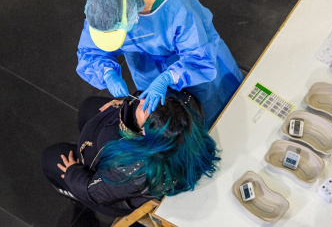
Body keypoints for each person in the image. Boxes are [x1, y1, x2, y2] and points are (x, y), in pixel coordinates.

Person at [76, 0, 243, 128]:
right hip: (147, 71)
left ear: (133, 14)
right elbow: (90, 51)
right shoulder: (107, 9)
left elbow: (199, 58)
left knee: (219, 114)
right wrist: (107, 73)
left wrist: (168, 77)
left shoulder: (179, 12)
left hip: (198, 72)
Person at [41, 90, 220, 217]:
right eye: (154, 100)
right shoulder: (184, 118)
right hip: (109, 161)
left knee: (51, 159)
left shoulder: (133, 171)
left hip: (107, 189)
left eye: (146, 110)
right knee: (89, 106)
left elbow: (94, 193)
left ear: (146, 134)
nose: (143, 101)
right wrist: (126, 103)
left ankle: (70, 193)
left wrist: (72, 172)